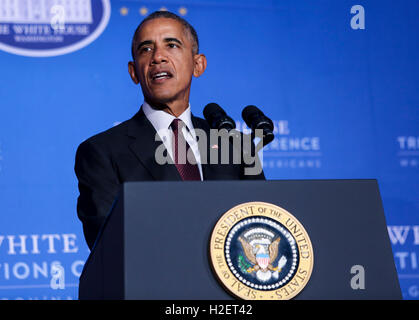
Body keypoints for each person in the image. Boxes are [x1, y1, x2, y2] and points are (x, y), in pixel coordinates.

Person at [74, 11, 265, 250]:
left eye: (172, 45)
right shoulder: (102, 152)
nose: (158, 57)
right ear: (134, 72)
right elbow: (108, 244)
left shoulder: (234, 145)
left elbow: (261, 228)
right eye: (146, 49)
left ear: (198, 64)